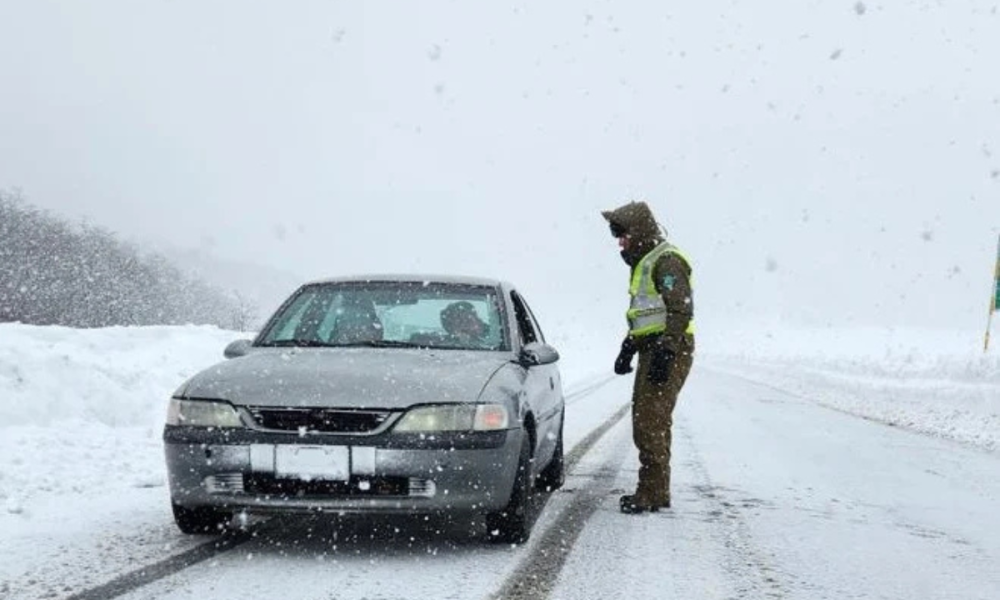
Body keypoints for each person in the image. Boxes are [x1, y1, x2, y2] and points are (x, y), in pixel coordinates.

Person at [601, 200, 695, 514]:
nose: (620, 242)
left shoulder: (666, 261)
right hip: (651, 347)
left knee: (650, 420)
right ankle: (656, 491)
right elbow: (645, 315)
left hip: (669, 347)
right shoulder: (644, 262)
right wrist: (628, 346)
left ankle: (651, 492)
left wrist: (667, 351)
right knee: (647, 417)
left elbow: (680, 308)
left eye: (623, 234)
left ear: (638, 231)